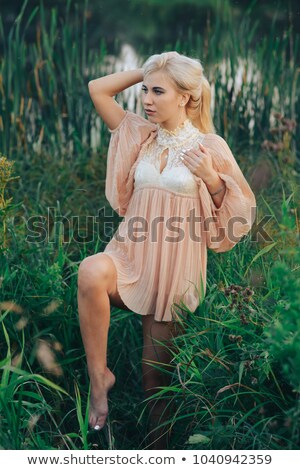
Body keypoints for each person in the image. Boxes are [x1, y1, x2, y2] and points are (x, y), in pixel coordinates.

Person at [77, 51, 256, 449]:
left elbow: (239, 213)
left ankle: (157, 450)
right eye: (145, 91)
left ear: (185, 98)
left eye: (158, 92)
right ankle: (99, 380)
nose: (147, 99)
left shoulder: (210, 147)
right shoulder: (139, 134)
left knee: (155, 378)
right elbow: (97, 89)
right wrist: (151, 68)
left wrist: (211, 179)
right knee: (90, 271)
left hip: (174, 269)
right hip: (130, 258)